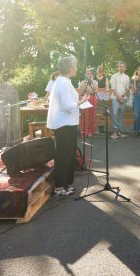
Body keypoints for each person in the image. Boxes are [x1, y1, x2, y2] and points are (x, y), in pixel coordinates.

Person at [46, 56, 89, 197]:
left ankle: (66, 184)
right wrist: (81, 101)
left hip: (68, 122)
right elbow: (66, 105)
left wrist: (78, 102)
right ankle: (59, 186)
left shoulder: (64, 81)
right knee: (63, 155)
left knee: (69, 155)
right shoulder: (63, 82)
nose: (77, 68)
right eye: (75, 66)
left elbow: (69, 101)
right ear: (70, 68)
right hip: (64, 124)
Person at [109, 61, 130, 139]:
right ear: (118, 67)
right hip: (115, 99)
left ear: (125, 68)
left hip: (123, 98)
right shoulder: (114, 76)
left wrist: (122, 96)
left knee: (121, 115)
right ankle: (114, 132)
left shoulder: (127, 77)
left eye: (122, 66)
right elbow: (113, 89)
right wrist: (119, 98)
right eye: (119, 66)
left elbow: (127, 89)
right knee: (114, 114)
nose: (121, 68)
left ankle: (119, 132)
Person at [77, 68, 98, 137]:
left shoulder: (95, 81)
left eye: (90, 73)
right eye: (87, 74)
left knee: (92, 115)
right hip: (85, 98)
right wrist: (86, 85)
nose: (89, 75)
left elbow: (94, 91)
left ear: (93, 74)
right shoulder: (83, 81)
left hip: (92, 98)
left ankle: (90, 131)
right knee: (85, 116)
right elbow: (83, 91)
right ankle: (84, 131)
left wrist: (88, 90)